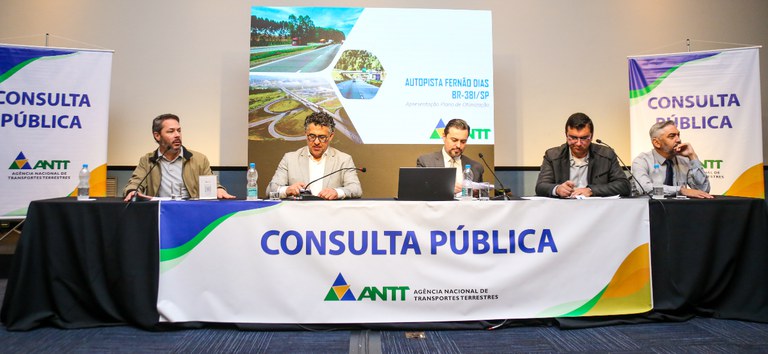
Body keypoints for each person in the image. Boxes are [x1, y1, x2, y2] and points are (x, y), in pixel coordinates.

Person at [123, 113, 235, 201]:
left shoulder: (199, 159)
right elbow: (135, 183)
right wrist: (132, 191)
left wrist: (218, 189)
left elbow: (212, 184)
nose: (177, 135)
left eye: (179, 130)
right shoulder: (147, 160)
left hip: (190, 211)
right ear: (157, 136)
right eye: (171, 131)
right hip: (161, 213)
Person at [266, 111, 362, 200]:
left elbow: (356, 189)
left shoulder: (344, 160)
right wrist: (287, 190)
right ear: (305, 134)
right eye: (312, 136)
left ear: (331, 136)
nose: (316, 142)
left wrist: (337, 192)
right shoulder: (290, 159)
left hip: (330, 215)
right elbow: (269, 191)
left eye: (322, 137)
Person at [535, 112, 630, 198]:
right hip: (563, 210)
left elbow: (623, 185)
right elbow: (541, 186)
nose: (578, 143)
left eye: (584, 138)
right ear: (566, 135)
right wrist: (557, 189)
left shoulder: (607, 154)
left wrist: (591, 190)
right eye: (573, 138)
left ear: (591, 136)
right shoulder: (552, 156)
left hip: (597, 211)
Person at [631, 120, 712, 198]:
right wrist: (680, 190)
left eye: (678, 135)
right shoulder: (641, 161)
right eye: (672, 136)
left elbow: (703, 190)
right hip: (650, 210)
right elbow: (645, 188)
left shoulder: (684, 160)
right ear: (657, 143)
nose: (679, 140)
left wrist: (692, 156)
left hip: (679, 209)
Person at [417, 118, 484, 194]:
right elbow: (419, 192)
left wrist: (475, 192)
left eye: (463, 141)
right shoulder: (427, 162)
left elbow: (484, 198)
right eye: (454, 140)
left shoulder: (476, 167)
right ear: (444, 137)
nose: (458, 145)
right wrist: (444, 188)